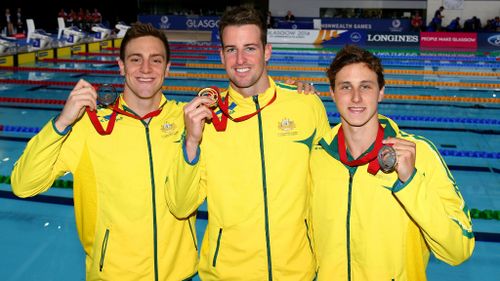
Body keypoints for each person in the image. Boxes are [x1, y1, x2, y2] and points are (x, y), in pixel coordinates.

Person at [11, 23, 199, 281]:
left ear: (167, 68)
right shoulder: (90, 126)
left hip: (180, 274)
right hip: (113, 275)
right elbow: (23, 185)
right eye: (136, 59)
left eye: (156, 60)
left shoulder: (187, 121)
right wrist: (61, 123)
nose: (146, 69)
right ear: (121, 66)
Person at [165, 6, 330, 280]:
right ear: (221, 55)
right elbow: (181, 206)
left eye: (250, 48)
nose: (240, 59)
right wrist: (191, 142)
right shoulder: (206, 118)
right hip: (227, 273)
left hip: (296, 271)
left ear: (267, 51)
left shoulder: (306, 105)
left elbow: (330, 182)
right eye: (231, 49)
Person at [310, 45, 475, 280]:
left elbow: (459, 250)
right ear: (332, 93)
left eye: (365, 87)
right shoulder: (317, 157)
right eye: (346, 87)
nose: (356, 97)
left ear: (381, 92)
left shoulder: (420, 154)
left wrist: (411, 182)